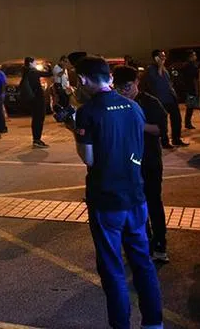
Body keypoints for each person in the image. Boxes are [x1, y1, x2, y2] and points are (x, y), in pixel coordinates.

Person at [72, 56, 164, 329]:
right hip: (136, 196)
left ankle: (121, 324)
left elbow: (89, 158)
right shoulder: (134, 107)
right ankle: (153, 323)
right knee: (143, 263)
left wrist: (75, 132)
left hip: (106, 200)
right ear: (109, 77)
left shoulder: (88, 112)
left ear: (83, 80)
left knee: (112, 268)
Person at [112, 66, 169, 263]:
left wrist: (136, 125)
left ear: (136, 82)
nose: (124, 91)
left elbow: (160, 130)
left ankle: (160, 244)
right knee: (134, 206)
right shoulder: (115, 103)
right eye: (119, 88)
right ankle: (142, 244)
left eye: (127, 86)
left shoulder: (150, 102)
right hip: (126, 164)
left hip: (149, 160)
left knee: (153, 202)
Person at [143, 49, 187, 147]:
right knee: (163, 121)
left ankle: (176, 139)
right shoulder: (151, 69)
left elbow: (168, 82)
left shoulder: (164, 69)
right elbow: (157, 79)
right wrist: (160, 65)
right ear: (156, 58)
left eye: (164, 56)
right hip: (161, 99)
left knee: (177, 119)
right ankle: (165, 141)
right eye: (161, 56)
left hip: (170, 98)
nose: (164, 58)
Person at [20, 57, 48, 147]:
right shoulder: (33, 72)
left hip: (32, 99)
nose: (36, 64)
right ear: (31, 63)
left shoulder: (25, 72)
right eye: (35, 62)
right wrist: (48, 67)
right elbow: (48, 74)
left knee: (35, 118)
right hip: (37, 98)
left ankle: (36, 139)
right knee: (39, 118)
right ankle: (37, 139)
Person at [178, 50, 200, 131]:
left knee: (190, 107)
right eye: (194, 55)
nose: (195, 56)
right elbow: (194, 78)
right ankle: (188, 123)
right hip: (191, 89)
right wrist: (197, 90)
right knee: (192, 107)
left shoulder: (185, 66)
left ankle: (188, 123)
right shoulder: (191, 66)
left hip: (188, 89)